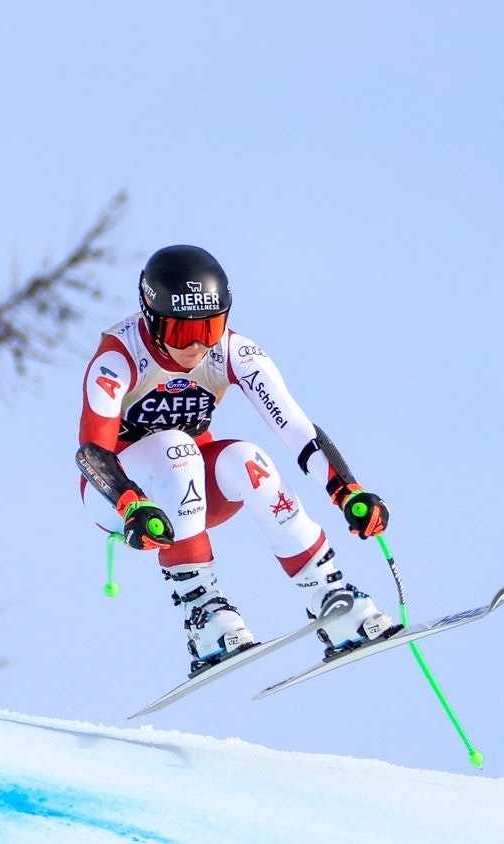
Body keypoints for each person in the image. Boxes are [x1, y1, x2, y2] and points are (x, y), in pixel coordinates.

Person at [75, 244, 399, 677]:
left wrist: (346, 489)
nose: (194, 347)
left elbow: (294, 427)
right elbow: (91, 451)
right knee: (178, 447)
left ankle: (330, 597)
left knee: (250, 459)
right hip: (118, 494)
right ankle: (203, 613)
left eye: (209, 329)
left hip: (187, 490)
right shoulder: (120, 355)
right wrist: (129, 502)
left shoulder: (234, 352)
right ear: (151, 319)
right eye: (178, 333)